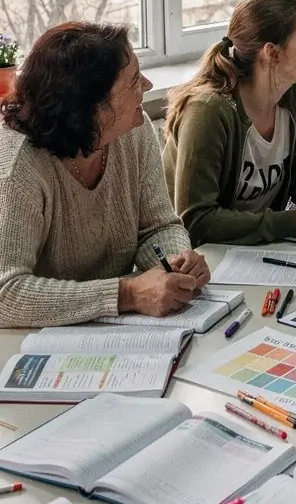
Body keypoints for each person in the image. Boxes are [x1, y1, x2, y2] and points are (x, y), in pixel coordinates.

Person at [0, 23, 209, 328]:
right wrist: (125, 294)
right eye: (135, 80)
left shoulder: (133, 132)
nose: (148, 85)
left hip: (115, 331)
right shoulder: (18, 168)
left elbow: (158, 227)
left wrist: (176, 261)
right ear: (92, 105)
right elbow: (6, 294)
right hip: (33, 342)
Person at [163, 0, 296, 245]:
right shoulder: (207, 112)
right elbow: (196, 222)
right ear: (272, 53)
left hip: (260, 248)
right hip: (202, 259)